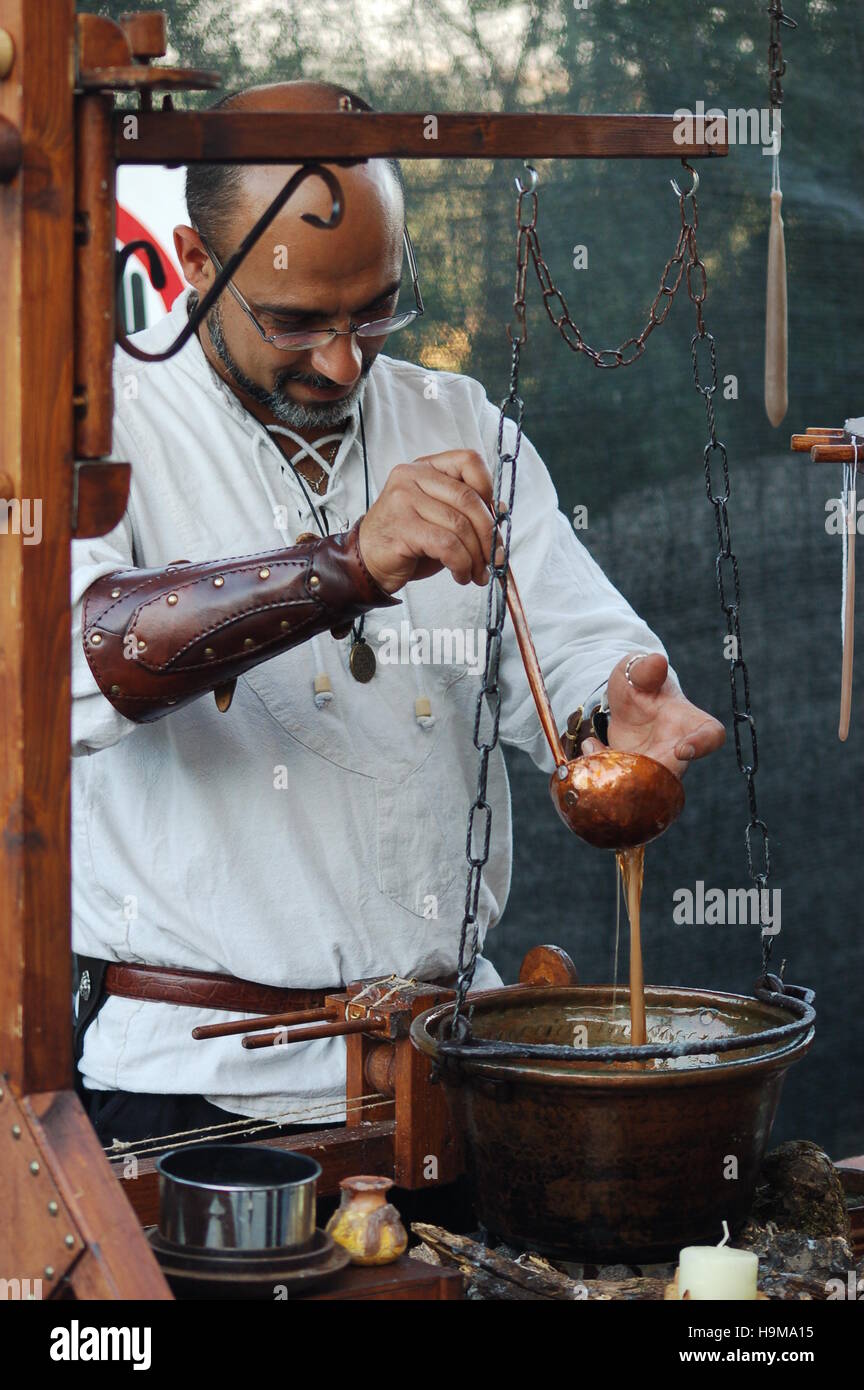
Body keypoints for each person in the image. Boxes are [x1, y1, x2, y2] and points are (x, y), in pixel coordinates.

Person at [72, 80, 725, 1146]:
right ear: (195, 264)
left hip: (448, 1075)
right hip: (190, 1097)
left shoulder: (454, 418)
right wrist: (345, 565)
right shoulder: (105, 429)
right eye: (296, 320)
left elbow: (567, 643)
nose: (342, 360)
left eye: (372, 310)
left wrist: (612, 709)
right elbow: (76, 665)